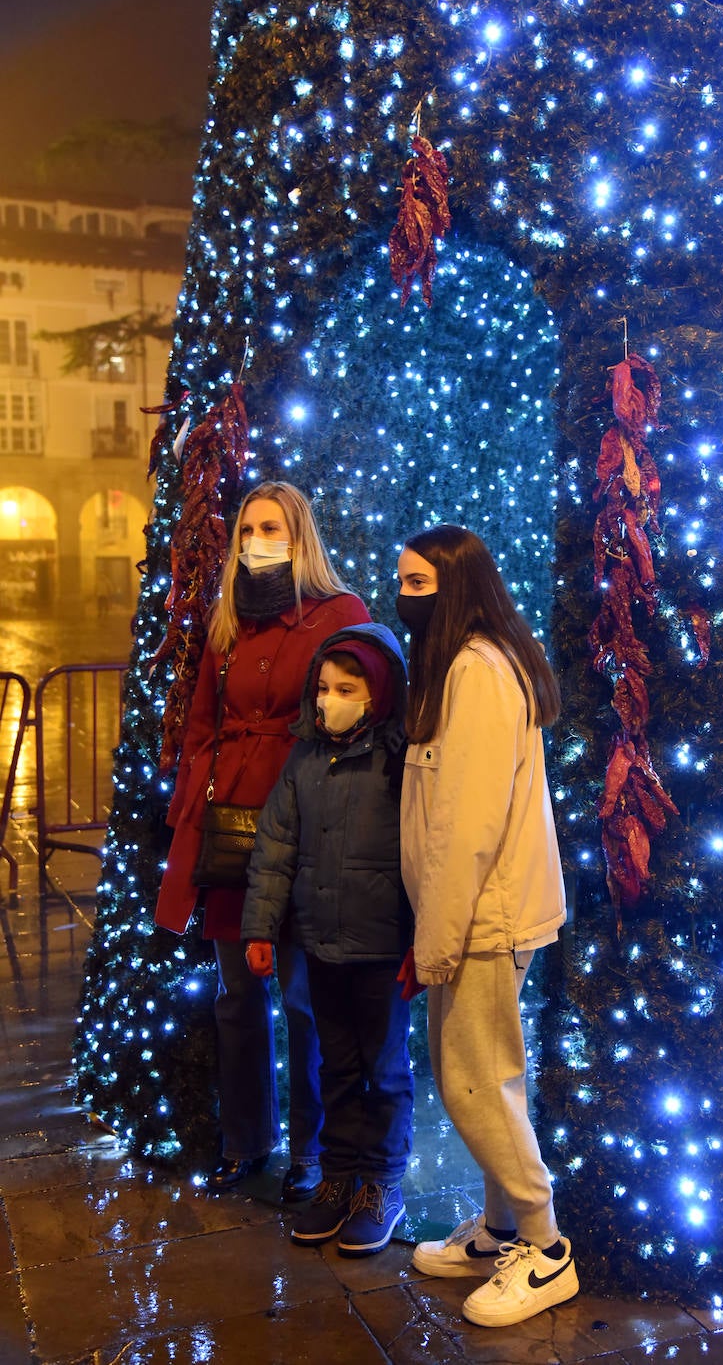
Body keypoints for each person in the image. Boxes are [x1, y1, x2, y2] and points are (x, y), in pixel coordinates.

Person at [154, 482, 370, 1199]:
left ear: (299, 533)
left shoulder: (341, 615)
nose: (256, 540)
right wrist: (193, 796)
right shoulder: (229, 620)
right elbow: (201, 724)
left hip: (305, 827)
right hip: (229, 832)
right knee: (236, 995)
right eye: (248, 528)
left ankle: (312, 1153)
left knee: (306, 999)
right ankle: (247, 1141)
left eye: (270, 526)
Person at [395, 523, 578, 1328]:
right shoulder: (478, 664)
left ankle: (543, 1248)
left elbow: (464, 825)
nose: (402, 599)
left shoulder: (474, 672)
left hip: (483, 915)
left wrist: (435, 938)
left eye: (417, 587)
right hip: (489, 910)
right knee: (489, 1073)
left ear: (457, 589)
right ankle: (500, 1229)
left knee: (474, 1082)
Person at [241, 622, 414, 1256]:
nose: (330, 699)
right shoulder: (306, 756)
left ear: (380, 692)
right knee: (335, 1066)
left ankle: (382, 1184)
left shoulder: (401, 760)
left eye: (348, 687)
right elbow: (276, 845)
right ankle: (339, 1178)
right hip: (320, 943)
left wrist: (423, 939)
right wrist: (261, 926)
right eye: (323, 687)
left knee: (385, 1070)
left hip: (382, 949)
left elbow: (425, 853)